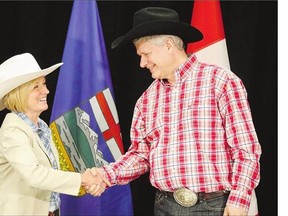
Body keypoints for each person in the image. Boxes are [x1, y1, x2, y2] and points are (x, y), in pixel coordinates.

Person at [89, 7, 261, 216]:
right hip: (164, 205)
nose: (142, 63)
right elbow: (141, 155)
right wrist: (105, 174)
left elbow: (245, 149)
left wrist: (239, 200)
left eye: (146, 54)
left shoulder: (221, 82)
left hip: (216, 206)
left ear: (169, 45)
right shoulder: (146, 100)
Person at [0, 53, 110, 216]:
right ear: (19, 93)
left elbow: (53, 172)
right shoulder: (13, 129)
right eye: (36, 87)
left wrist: (91, 180)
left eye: (44, 84)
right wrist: (83, 179)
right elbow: (34, 175)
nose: (46, 90)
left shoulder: (41, 126)